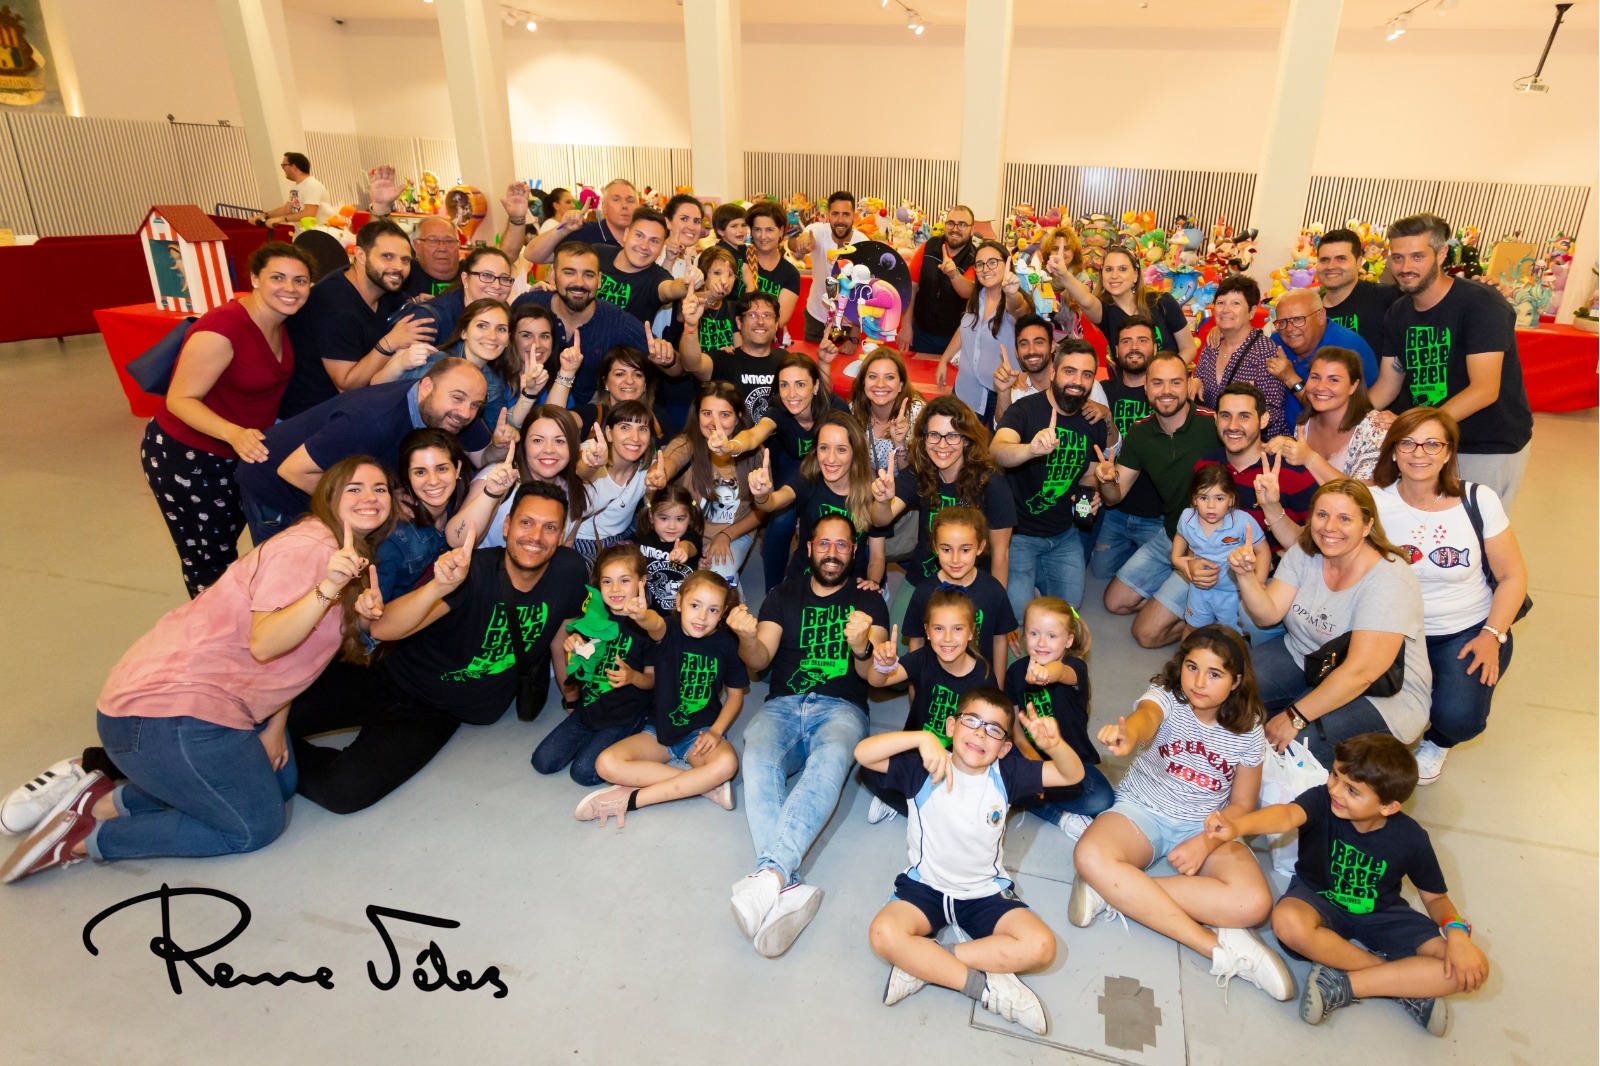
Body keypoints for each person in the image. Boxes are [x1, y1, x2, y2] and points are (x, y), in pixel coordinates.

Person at [0, 459, 394, 882]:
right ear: (328, 495)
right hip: (162, 715)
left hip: (215, 705)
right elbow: (266, 643)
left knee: (279, 786)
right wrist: (330, 587)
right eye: (354, 488)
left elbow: (293, 658)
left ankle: (100, 802)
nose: (370, 497)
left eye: (380, 489)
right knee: (254, 827)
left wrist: (277, 724)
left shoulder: (348, 555)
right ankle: (83, 839)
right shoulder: (309, 549)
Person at [286, 481, 590, 812]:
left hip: (435, 713)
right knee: (271, 719)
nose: (536, 536)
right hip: (388, 676)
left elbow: (563, 638)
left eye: (550, 527)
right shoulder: (472, 571)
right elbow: (384, 628)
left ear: (561, 536)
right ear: (506, 526)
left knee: (343, 793)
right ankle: (261, 754)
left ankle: (271, 764)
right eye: (526, 522)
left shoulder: (569, 571)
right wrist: (438, 587)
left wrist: (572, 699)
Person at [1068, 627, 1294, 1003]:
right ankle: (1215, 948)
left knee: (1254, 903)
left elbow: (1242, 804)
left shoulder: (1249, 725)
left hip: (1207, 824)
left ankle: (1110, 888)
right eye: (1192, 667)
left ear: (1237, 681)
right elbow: (1146, 717)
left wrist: (1205, 842)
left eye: (1215, 673)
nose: (1198, 682)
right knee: (1089, 855)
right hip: (1142, 809)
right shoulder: (1167, 695)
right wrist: (1129, 734)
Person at [1206, 734, 1488, 1036]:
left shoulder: (1412, 839)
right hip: (1317, 896)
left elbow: (1435, 899)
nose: (1336, 790)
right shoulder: (1321, 800)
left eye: (1352, 790)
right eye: (1335, 775)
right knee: (1287, 922)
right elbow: (1286, 815)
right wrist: (1238, 826)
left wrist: (1457, 935)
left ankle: (1345, 983)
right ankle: (1400, 983)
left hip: (1381, 913)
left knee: (1470, 967)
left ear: (1388, 807)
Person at [857, 688, 1083, 1036]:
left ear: (1004, 748)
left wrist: (1054, 746)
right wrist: (921, 738)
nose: (980, 734)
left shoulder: (1007, 775)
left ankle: (926, 962)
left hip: (984, 894)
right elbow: (863, 754)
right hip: (924, 889)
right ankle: (983, 988)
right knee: (882, 934)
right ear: (951, 726)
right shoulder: (924, 768)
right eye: (972, 721)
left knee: (1041, 946)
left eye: (994, 730)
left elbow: (1071, 775)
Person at [725, 515, 890, 957]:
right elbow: (759, 659)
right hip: (781, 705)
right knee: (756, 757)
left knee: (830, 761)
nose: (833, 553)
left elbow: (872, 677)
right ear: (810, 548)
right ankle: (785, 884)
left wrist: (862, 647)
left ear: (853, 551)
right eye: (824, 544)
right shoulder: (783, 594)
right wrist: (745, 638)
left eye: (842, 545)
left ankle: (769, 877)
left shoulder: (869, 600)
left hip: (842, 708)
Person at [143, 242, 314, 597]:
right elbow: (179, 399)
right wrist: (234, 433)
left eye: (300, 281)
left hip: (238, 453)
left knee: (228, 545)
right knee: (208, 561)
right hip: (188, 455)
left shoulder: (282, 321)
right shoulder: (224, 327)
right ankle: (210, 624)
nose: (290, 288)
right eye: (278, 277)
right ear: (255, 278)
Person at [1369, 408, 1527, 785]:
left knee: (1460, 717)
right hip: (1394, 629)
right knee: (1370, 714)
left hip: (1465, 630)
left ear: (1448, 453)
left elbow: (1512, 576)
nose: (1419, 453)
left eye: (1432, 444)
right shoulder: (1371, 500)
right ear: (1393, 451)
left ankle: (1439, 739)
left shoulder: (1478, 499)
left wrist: (1492, 635)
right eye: (1407, 443)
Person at [1228, 479, 1433, 765]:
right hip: (1308, 657)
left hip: (1380, 693)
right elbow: (1269, 614)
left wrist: (1295, 715)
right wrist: (1246, 576)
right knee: (1225, 691)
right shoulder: (1304, 552)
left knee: (1290, 752)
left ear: (1367, 525)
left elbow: (1361, 673)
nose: (1329, 527)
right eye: (1322, 515)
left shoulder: (1389, 579)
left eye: (1345, 518)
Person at [238, 357, 503, 544]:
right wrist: (383, 504)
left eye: (475, 405)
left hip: (331, 475)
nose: (465, 413)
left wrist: (499, 445)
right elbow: (293, 471)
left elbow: (484, 457)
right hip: (274, 482)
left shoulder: (451, 414)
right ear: (426, 387)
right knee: (289, 583)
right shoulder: (372, 421)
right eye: (457, 398)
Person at [1368, 213, 1534, 510]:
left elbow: (1484, 390)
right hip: (1426, 443)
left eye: (1417, 256)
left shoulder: (1480, 303)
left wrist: (1415, 427)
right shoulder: (1398, 312)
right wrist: (1346, 417)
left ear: (1441, 254)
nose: (1405, 267)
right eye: (1398, 258)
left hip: (1484, 446)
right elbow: (1387, 384)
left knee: (1476, 530)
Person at [580, 570, 749, 823]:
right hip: (659, 731)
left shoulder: (727, 644)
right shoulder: (668, 630)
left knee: (727, 764)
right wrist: (642, 615)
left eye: (713, 610)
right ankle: (703, 785)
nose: (702, 616)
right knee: (606, 763)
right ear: (679, 602)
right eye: (695, 605)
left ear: (723, 612)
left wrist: (716, 731)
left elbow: (736, 695)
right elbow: (654, 624)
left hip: (700, 734)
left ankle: (633, 800)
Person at [1092, 353, 1220, 647]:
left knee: (1146, 634)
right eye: (1158, 383)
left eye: (1175, 382)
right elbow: (1114, 497)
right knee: (1115, 602)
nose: (1166, 391)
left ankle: (1214, 615)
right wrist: (1107, 480)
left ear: (1188, 384)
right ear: (1147, 388)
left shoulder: (1213, 424)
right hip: (1172, 534)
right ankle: (1180, 600)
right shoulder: (1140, 431)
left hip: (1210, 545)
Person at [992, 337, 1112, 618]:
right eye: (1070, 371)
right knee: (1018, 615)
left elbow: (1088, 475)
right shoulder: (1025, 409)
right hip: (1020, 534)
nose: (1077, 381)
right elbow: (996, 451)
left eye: (1086, 374)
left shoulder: (1092, 420)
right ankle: (1031, 577)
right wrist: (1030, 449)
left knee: (1069, 610)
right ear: (1054, 372)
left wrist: (1090, 496)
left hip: (1064, 533)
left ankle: (1038, 577)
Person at [860, 589, 998, 822]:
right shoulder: (923, 658)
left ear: (971, 632)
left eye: (957, 629)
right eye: (938, 628)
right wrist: (883, 665)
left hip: (956, 762)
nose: (947, 638)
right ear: (927, 631)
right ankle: (919, 806)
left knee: (974, 790)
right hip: (916, 751)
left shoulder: (983, 677)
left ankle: (911, 799)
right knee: (868, 770)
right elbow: (876, 681)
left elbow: (989, 735)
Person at [871, 395, 1015, 614]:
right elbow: (880, 519)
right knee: (896, 635)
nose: (942, 444)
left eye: (952, 436)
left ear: (966, 440)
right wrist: (882, 501)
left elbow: (1000, 553)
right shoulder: (919, 474)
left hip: (972, 583)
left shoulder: (991, 482)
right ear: (924, 438)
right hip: (923, 579)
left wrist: (997, 608)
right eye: (934, 435)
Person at [279, 219, 435, 418]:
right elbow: (347, 385)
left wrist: (420, 302)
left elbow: (407, 305)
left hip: (350, 407)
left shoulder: (381, 287)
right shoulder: (334, 306)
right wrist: (389, 343)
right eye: (387, 256)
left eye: (405, 260)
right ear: (360, 255)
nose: (398, 267)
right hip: (311, 417)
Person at [721, 353, 848, 591]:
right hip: (792, 466)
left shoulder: (836, 408)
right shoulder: (778, 410)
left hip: (830, 467)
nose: (791, 394)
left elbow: (851, 449)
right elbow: (754, 435)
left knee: (831, 519)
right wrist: (732, 446)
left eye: (800, 384)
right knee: (781, 522)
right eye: (784, 385)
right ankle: (774, 590)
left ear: (815, 386)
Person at [534, 547, 658, 786]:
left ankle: (635, 739)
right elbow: (579, 672)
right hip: (590, 708)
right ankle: (598, 742)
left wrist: (632, 677)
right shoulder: (593, 618)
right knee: (543, 761)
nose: (615, 589)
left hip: (626, 715)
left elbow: (652, 681)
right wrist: (572, 650)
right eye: (607, 581)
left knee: (583, 773)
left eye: (624, 580)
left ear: (641, 582)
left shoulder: (649, 626)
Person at [511, 241, 677, 404]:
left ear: (599, 280)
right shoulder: (529, 303)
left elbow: (677, 370)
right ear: (553, 276)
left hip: (582, 412)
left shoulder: (615, 321)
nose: (579, 283)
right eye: (569, 273)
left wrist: (668, 359)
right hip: (516, 402)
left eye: (588, 275)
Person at [1003, 596, 1113, 840]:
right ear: (1024, 634)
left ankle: (1029, 794)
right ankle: (1060, 817)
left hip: (1070, 761)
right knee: (1001, 768)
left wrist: (1044, 673)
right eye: (1034, 633)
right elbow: (1016, 730)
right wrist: (1033, 763)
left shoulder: (1075, 667)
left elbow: (1060, 671)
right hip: (1032, 760)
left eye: (1052, 636)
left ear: (1069, 640)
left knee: (1102, 799)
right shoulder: (1015, 672)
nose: (1041, 643)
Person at [749, 411, 886, 588]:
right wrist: (761, 495)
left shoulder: (873, 491)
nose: (831, 458)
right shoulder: (808, 478)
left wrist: (873, 582)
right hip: (805, 579)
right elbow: (773, 502)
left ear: (855, 452)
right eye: (824, 448)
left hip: (850, 584)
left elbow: (877, 556)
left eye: (841, 449)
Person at [655, 383, 764, 585]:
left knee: (718, 576)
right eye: (707, 413)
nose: (715, 422)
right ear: (697, 415)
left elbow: (761, 510)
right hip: (689, 534)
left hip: (736, 533)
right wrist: (659, 473)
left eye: (725, 414)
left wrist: (726, 535)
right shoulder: (686, 443)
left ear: (738, 416)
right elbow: (671, 461)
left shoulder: (754, 452)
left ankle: (730, 594)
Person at [1090, 316, 1169, 582]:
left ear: (1155, 348)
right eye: (1126, 341)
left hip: (1156, 514)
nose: (1134, 347)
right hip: (1114, 511)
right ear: (1115, 351)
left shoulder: (1167, 394)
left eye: (1142, 340)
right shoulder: (1100, 392)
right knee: (1100, 573)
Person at [903, 507, 1015, 673]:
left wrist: (998, 685)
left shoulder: (993, 591)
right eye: (946, 550)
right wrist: (915, 686)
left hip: (980, 681)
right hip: (935, 680)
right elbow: (917, 641)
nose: (955, 559)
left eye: (965, 550)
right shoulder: (924, 592)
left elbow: (999, 640)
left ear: (980, 547)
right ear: (935, 547)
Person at [390, 298, 524, 431]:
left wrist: (529, 394)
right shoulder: (435, 364)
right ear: (463, 332)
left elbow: (499, 430)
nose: (492, 336)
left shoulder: (492, 381)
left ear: (508, 340)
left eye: (501, 329)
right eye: (482, 326)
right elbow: (394, 404)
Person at [467, 405, 589, 550]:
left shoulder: (574, 489)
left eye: (559, 441)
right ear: (524, 444)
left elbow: (566, 545)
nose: (549, 449)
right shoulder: (496, 477)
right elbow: (460, 541)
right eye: (537, 440)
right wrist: (491, 493)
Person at [1267, 348, 1391, 485]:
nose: (1321, 387)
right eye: (1315, 377)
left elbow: (1364, 493)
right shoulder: (1304, 423)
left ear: (1353, 386)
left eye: (1333, 380)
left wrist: (1310, 459)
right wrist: (1286, 446)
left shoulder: (1376, 429)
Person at [1171, 465, 1268, 629]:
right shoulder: (1186, 518)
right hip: (1199, 589)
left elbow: (1263, 551)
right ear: (1194, 499)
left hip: (1234, 592)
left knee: (1232, 635)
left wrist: (1259, 583)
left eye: (1219, 498)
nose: (1211, 505)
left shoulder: (1243, 521)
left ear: (1231, 499)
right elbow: (1179, 541)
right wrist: (1180, 561)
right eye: (1203, 498)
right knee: (1194, 629)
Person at [1052, 244, 1192, 358]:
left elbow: (1188, 348)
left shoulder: (1162, 302)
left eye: (1122, 269)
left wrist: (1167, 374)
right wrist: (1064, 275)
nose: (1114, 275)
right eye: (1108, 269)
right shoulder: (1105, 312)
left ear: (1135, 275)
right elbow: (1086, 300)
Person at [1268, 286, 1378, 425]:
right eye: (1282, 322)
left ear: (1320, 316)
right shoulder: (1275, 343)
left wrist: (1290, 378)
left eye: (1298, 319)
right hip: (1285, 434)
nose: (1289, 329)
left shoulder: (1348, 347)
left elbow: (1343, 412)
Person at [936, 239, 1019, 423]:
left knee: (997, 440)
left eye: (993, 262)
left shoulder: (1015, 302)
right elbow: (965, 329)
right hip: (967, 389)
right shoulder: (976, 297)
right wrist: (944, 359)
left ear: (1007, 263)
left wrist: (1012, 294)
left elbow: (1019, 307)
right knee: (959, 437)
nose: (985, 269)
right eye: (980, 264)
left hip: (1002, 391)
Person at [680, 290, 789, 425]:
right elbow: (691, 365)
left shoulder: (786, 361)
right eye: (752, 315)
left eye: (767, 315)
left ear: (776, 323)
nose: (760, 321)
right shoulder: (724, 358)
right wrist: (690, 326)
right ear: (738, 322)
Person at [1194, 274, 1286, 429]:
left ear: (1252, 311)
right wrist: (1194, 382)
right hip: (1213, 435)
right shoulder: (1212, 345)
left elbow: (1272, 411)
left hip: (1254, 439)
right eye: (1221, 303)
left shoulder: (1265, 352)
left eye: (1235, 303)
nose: (1226, 310)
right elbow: (1199, 385)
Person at [365, 165, 466, 299]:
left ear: (458, 245)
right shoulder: (404, 271)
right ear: (416, 245)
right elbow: (373, 253)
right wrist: (380, 206)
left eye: (449, 241)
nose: (442, 248)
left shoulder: (472, 271)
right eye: (433, 240)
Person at [571, 401, 655, 561]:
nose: (635, 437)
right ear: (609, 433)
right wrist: (592, 465)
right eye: (625, 427)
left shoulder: (649, 469)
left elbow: (653, 510)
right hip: (579, 543)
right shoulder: (592, 451)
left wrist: (655, 490)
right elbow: (581, 470)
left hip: (621, 541)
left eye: (643, 429)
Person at [992, 318, 1109, 423]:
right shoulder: (1016, 391)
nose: (1031, 350)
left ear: (1052, 346)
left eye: (1039, 342)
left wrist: (1107, 415)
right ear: (1016, 352)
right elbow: (1002, 429)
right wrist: (1003, 391)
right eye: (1024, 344)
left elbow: (1109, 436)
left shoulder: (1086, 386)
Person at [790, 191, 867, 343]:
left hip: (847, 323)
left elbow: (863, 293)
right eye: (835, 214)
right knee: (811, 357)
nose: (840, 220)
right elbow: (797, 240)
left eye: (846, 214)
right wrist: (802, 242)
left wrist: (854, 337)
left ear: (854, 216)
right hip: (816, 318)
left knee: (842, 358)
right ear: (828, 215)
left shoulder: (863, 244)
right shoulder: (819, 231)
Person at [594, 207, 691, 325]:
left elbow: (669, 289)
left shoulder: (656, 277)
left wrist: (687, 284)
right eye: (639, 235)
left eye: (654, 241)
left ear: (661, 247)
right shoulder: (597, 254)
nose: (644, 246)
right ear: (626, 234)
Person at [904, 204, 977, 355]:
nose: (955, 229)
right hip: (921, 333)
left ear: (972, 229)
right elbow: (911, 286)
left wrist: (954, 274)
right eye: (951, 223)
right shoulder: (929, 246)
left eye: (962, 224)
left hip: (956, 338)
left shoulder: (975, 257)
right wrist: (906, 326)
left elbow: (969, 291)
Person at [1315, 227, 1398, 356]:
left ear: (1359, 262)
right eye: (1324, 259)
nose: (1331, 266)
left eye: (1341, 259)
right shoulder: (1310, 310)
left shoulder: (1386, 298)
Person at [548, 345, 659, 440]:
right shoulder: (591, 415)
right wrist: (566, 373)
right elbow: (551, 425)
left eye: (638, 375)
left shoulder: (658, 418)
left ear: (645, 384)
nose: (630, 381)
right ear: (605, 382)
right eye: (620, 374)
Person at [520, 178, 640, 261]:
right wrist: (563, 229)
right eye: (616, 199)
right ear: (604, 207)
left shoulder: (645, 240)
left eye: (630, 200)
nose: (624, 205)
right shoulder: (584, 233)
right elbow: (531, 255)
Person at [849, 348, 924, 475]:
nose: (880, 384)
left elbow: (916, 475)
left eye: (889, 377)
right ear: (863, 383)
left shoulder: (916, 414)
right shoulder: (853, 411)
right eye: (873, 376)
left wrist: (900, 444)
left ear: (900, 385)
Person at [634, 485, 701, 612]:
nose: (672, 526)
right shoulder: (643, 540)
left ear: (690, 517)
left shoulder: (692, 537)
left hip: (681, 614)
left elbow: (689, 545)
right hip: (648, 612)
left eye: (680, 519)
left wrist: (682, 550)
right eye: (664, 518)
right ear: (651, 516)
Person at [741, 201, 802, 330]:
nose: (763, 236)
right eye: (757, 229)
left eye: (769, 230)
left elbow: (779, 321)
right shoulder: (740, 257)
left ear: (781, 231)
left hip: (766, 337)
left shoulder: (790, 273)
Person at [252, 151, 331, 227]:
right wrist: (265, 215)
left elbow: (309, 213)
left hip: (318, 233)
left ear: (293, 167)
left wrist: (280, 219)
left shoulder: (312, 185)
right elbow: (287, 209)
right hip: (303, 233)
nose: (283, 168)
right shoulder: (296, 188)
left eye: (284, 165)